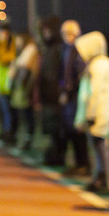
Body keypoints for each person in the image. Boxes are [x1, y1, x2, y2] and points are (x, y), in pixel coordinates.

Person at [74, 31, 109, 192]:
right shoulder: (98, 63)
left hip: (98, 113)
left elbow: (95, 92)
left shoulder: (99, 65)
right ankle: (99, 176)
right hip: (98, 112)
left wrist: (90, 114)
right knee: (97, 145)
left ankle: (102, 177)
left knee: (100, 145)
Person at [59, 20, 90, 176]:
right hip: (69, 95)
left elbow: (78, 74)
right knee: (70, 129)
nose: (68, 37)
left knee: (78, 130)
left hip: (76, 95)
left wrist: (69, 91)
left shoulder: (79, 50)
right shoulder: (66, 50)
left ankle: (83, 164)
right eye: (65, 33)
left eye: (70, 33)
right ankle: (78, 163)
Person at [36, 15, 64, 166]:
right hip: (47, 94)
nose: (46, 34)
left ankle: (59, 156)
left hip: (55, 95)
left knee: (58, 128)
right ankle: (55, 154)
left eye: (48, 31)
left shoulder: (58, 48)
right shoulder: (47, 48)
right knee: (51, 128)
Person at [9, 33, 40, 151]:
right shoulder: (21, 53)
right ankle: (22, 138)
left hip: (26, 89)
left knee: (28, 114)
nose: (17, 43)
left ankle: (28, 139)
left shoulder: (30, 52)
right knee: (21, 114)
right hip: (21, 88)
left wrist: (26, 89)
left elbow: (31, 73)